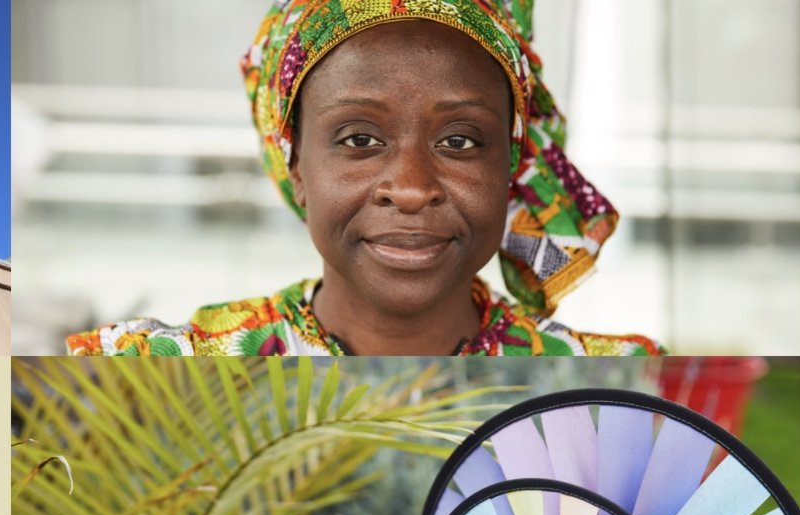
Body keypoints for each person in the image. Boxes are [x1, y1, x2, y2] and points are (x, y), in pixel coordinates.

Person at [66, 0, 661, 356]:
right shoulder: (164, 368)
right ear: (296, 165)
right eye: (359, 140)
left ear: (512, 163)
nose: (408, 187)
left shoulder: (620, 399)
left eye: (460, 141)